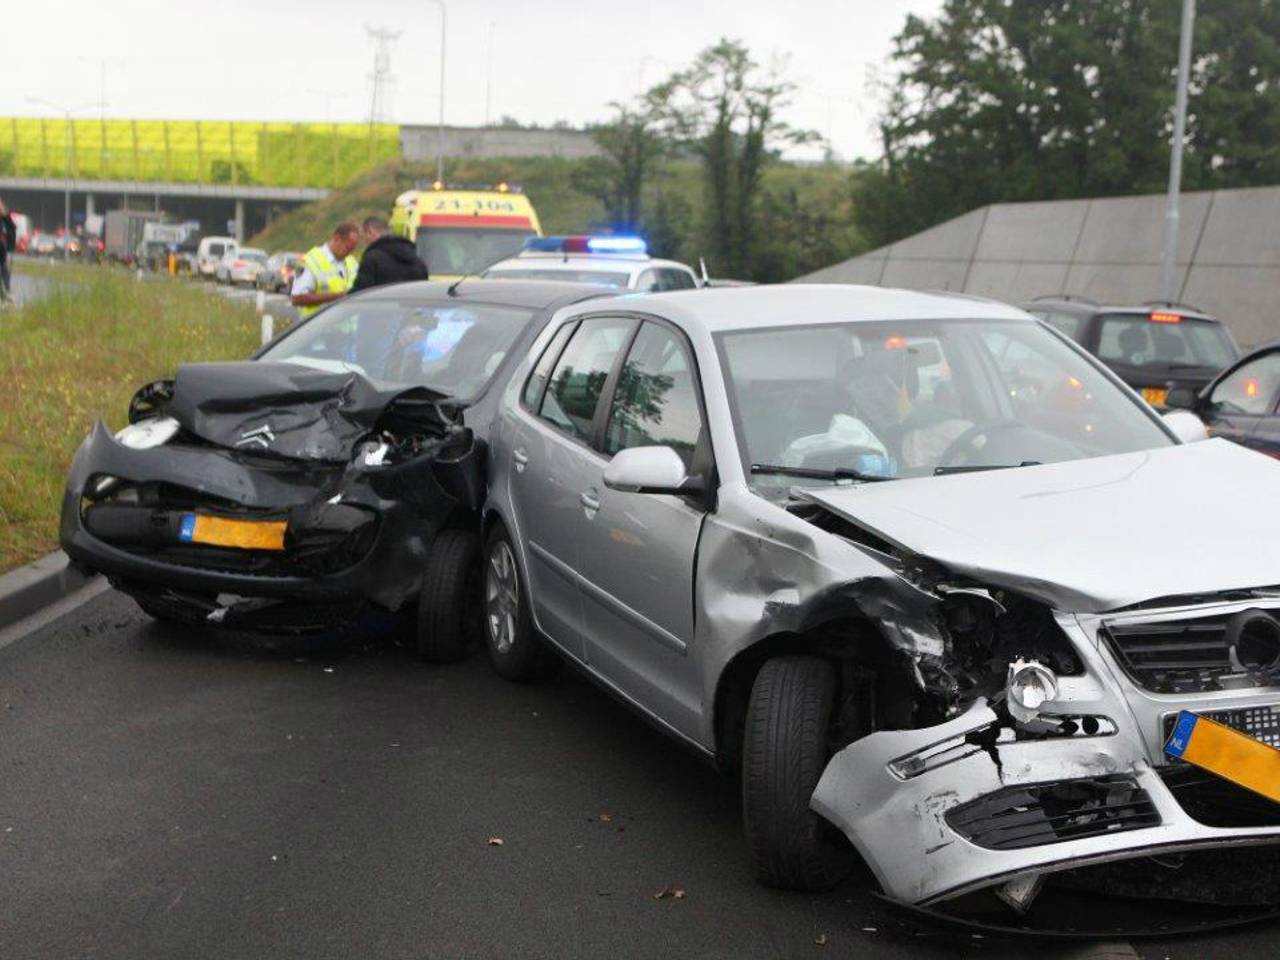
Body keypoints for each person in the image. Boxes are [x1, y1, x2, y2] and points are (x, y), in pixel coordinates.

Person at [291, 222, 361, 318]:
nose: (349, 253)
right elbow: (297, 299)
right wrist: (339, 297)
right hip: (318, 324)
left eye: (352, 250)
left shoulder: (352, 262)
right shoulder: (311, 261)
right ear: (336, 238)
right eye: (347, 248)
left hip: (347, 326)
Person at [351, 216, 428, 292]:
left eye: (364, 237)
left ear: (370, 232)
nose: (365, 242)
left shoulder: (372, 258)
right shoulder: (417, 261)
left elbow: (360, 291)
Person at [0, 199, 15, 302]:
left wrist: (10, 250)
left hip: (3, 246)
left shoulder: (5, 218)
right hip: (4, 245)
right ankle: (5, 293)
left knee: (5, 269)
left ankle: (5, 293)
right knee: (5, 269)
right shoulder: (5, 217)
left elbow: (11, 231)